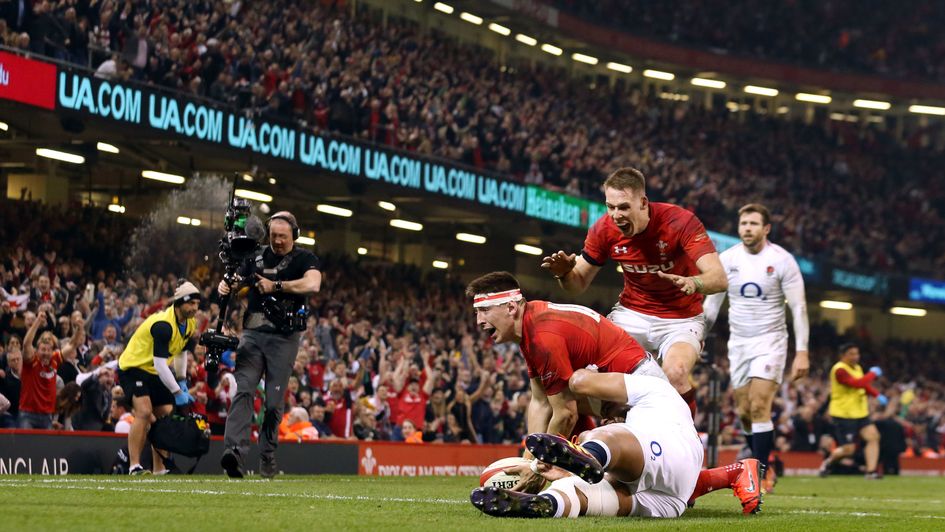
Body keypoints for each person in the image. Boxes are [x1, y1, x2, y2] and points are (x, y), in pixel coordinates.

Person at [541, 167, 727, 416]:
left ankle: (684, 442)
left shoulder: (679, 222)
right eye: (611, 206)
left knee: (676, 373)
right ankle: (610, 432)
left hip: (681, 318)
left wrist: (695, 283)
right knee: (588, 378)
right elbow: (577, 285)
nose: (616, 215)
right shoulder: (603, 229)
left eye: (624, 207)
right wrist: (564, 274)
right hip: (631, 314)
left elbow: (719, 278)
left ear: (643, 203)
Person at [466, 271, 665, 492]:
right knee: (560, 399)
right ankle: (575, 471)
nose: (479, 321)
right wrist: (528, 459)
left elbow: (565, 414)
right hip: (626, 387)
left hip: (642, 393)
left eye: (484, 310)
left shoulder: (543, 336)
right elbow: (539, 402)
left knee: (647, 490)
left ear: (511, 308)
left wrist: (538, 467)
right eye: (477, 312)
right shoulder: (531, 325)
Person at [470, 370, 763, 519]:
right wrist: (564, 475)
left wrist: (577, 377)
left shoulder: (654, 390)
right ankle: (545, 504)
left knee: (599, 439)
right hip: (672, 499)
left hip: (669, 452)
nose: (604, 411)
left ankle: (589, 456)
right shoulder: (647, 415)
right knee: (583, 495)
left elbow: (582, 380)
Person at [702, 203, 810, 490]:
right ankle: (766, 463)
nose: (747, 228)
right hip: (739, 344)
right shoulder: (727, 259)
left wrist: (802, 351)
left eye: (753, 223)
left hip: (770, 341)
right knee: (744, 411)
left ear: (766, 228)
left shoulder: (782, 261)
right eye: (743, 224)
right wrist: (697, 335)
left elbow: (798, 308)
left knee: (760, 403)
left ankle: (758, 476)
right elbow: (711, 306)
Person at [219, 211, 322, 479]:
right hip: (252, 335)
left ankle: (267, 455)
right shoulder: (254, 256)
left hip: (284, 338)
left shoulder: (305, 259)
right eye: (273, 235)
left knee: (274, 403)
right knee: (244, 391)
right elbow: (235, 281)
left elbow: (314, 284)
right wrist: (225, 285)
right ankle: (234, 453)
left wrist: (276, 286)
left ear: (294, 236)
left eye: (283, 237)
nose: (277, 241)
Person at [117, 281, 200, 475]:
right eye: (190, 304)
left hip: (153, 371)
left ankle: (159, 469)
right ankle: (134, 466)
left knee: (165, 416)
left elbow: (180, 353)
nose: (194, 308)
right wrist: (177, 392)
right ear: (179, 303)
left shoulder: (190, 323)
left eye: (197, 304)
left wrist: (181, 379)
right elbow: (161, 365)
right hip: (133, 367)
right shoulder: (163, 325)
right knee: (144, 412)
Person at [820, 343, 886, 479]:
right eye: (852, 354)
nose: (856, 357)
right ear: (843, 355)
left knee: (873, 437)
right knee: (849, 450)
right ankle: (828, 462)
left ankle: (871, 472)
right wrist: (872, 374)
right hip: (844, 413)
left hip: (860, 412)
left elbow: (863, 385)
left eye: (857, 353)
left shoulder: (857, 368)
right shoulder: (839, 370)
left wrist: (876, 394)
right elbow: (856, 384)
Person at [18, 307, 61, 429]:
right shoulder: (32, 360)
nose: (46, 352)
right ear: (37, 350)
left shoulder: (54, 362)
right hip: (27, 413)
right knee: (26, 446)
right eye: (43, 349)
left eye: (49, 349)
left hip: (47, 415)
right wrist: (38, 321)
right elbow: (26, 344)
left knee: (46, 447)